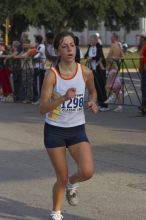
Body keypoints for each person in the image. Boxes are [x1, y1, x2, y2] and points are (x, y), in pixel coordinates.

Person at [39, 31, 98, 220]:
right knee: (61, 178)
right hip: (55, 131)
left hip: (77, 130)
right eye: (64, 46)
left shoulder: (85, 72)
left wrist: (93, 102)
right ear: (58, 50)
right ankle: (55, 212)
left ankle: (73, 183)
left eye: (72, 45)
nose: (69, 49)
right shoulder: (52, 75)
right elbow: (42, 108)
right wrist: (64, 98)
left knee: (87, 171)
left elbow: (93, 92)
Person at [84, 34, 109, 111]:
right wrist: (88, 57)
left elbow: (99, 56)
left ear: (95, 40)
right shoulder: (90, 47)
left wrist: (91, 58)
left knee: (101, 87)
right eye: (90, 40)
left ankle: (104, 105)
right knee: (95, 87)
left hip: (99, 70)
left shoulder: (99, 47)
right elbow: (86, 55)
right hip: (92, 69)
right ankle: (99, 103)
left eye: (91, 40)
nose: (90, 41)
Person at [32, 35, 46, 104]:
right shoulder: (38, 46)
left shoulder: (41, 46)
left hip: (40, 67)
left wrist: (32, 56)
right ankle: (38, 98)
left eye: (35, 39)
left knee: (39, 83)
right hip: (37, 66)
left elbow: (37, 54)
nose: (34, 40)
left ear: (37, 40)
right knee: (37, 82)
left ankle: (40, 98)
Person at [138, 31, 146, 114]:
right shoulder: (143, 46)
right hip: (143, 69)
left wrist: (144, 67)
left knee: (144, 88)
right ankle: (143, 105)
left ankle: (144, 106)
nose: (139, 39)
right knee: (143, 88)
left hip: (145, 70)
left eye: (140, 37)